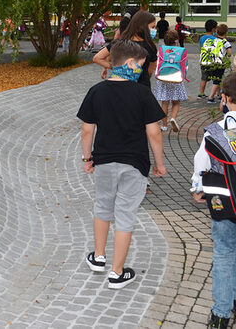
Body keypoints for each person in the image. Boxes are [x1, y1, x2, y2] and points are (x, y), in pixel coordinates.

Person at [78, 39, 166, 289]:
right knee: (125, 213)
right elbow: (154, 133)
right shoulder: (142, 93)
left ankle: (98, 257)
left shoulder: (97, 90)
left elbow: (87, 129)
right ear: (129, 63)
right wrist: (159, 163)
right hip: (134, 163)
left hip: (104, 161)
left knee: (103, 205)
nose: (141, 70)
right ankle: (117, 273)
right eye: (140, 65)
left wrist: (87, 158)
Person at [191, 72, 236, 328]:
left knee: (223, 253)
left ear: (224, 98)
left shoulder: (217, 132)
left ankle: (221, 313)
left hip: (225, 203)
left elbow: (202, 163)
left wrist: (198, 189)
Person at [93, 10, 157, 88]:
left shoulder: (118, 43)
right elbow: (150, 71)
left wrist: (115, 67)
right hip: (142, 87)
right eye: (152, 27)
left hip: (121, 87)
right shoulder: (150, 46)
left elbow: (97, 58)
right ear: (143, 26)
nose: (154, 30)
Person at [153, 30, 188, 132]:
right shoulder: (181, 50)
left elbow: (158, 63)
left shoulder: (162, 50)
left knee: (165, 102)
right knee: (176, 102)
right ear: (176, 40)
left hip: (163, 78)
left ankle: (164, 125)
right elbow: (185, 66)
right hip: (176, 78)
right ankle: (173, 118)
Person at [204, 24, 232, 104]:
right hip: (220, 63)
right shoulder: (225, 42)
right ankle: (211, 97)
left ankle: (220, 95)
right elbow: (229, 53)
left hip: (212, 62)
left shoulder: (214, 40)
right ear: (226, 33)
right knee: (217, 80)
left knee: (217, 78)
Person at [197, 19, 219, 99]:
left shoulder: (202, 38)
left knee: (204, 78)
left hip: (204, 60)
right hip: (212, 61)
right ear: (213, 29)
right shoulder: (215, 39)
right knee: (216, 78)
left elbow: (201, 48)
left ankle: (201, 93)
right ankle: (218, 94)